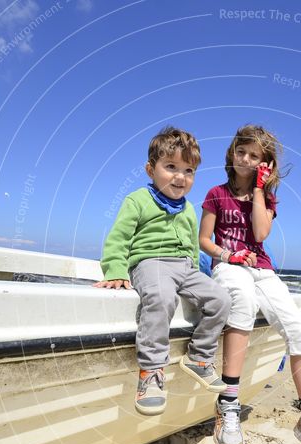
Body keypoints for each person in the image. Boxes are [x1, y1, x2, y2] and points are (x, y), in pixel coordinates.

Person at [199, 125, 301, 444]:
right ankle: (228, 404)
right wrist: (228, 255)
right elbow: (204, 240)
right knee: (244, 303)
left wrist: (261, 189)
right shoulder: (216, 194)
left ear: (264, 163)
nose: (246, 159)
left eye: (254, 156)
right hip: (228, 265)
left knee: (297, 329)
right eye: (241, 152)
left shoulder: (267, 197)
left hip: (262, 268)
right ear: (231, 154)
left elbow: (261, 232)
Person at [95, 127, 231, 416]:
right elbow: (118, 239)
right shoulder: (138, 200)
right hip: (150, 262)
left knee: (221, 300)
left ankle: (199, 357)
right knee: (161, 297)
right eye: (171, 167)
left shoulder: (189, 211)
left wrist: (196, 277)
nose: (180, 177)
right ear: (150, 169)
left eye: (188, 170)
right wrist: (115, 270)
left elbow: (194, 251)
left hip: (184, 268)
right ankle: (152, 372)